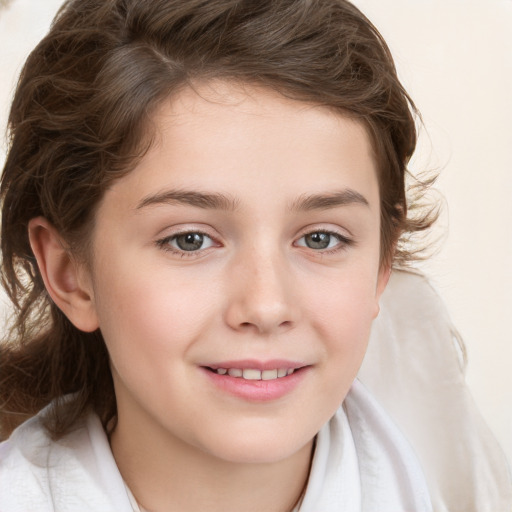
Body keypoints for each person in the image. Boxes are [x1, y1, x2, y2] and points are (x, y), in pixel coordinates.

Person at [0, 1, 510, 511]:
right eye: (190, 240)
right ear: (70, 273)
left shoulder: (445, 456)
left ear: (381, 263)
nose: (266, 307)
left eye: (320, 239)